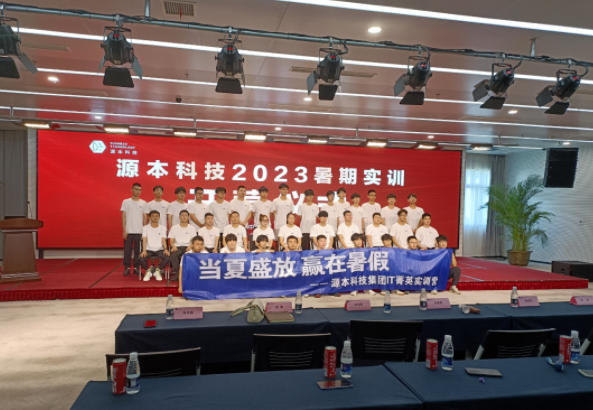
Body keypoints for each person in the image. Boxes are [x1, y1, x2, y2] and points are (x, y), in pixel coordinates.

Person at [121, 182, 146, 276]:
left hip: (139, 231)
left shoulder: (143, 203)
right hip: (128, 231)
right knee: (127, 251)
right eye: (136, 189)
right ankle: (127, 268)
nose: (138, 191)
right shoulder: (126, 202)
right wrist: (124, 230)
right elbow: (123, 216)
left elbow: (145, 217)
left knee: (137, 251)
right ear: (132, 190)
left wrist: (144, 231)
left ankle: (136, 268)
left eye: (139, 190)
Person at [138, 210, 170, 281]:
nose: (155, 218)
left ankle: (158, 271)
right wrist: (143, 250)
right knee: (141, 258)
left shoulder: (163, 227)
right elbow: (144, 239)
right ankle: (148, 271)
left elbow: (163, 239)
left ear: (159, 217)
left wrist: (165, 249)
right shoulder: (145, 228)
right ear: (149, 218)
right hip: (148, 249)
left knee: (167, 257)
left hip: (159, 249)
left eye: (157, 216)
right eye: (153, 216)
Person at [168, 210, 197, 281]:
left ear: (188, 217)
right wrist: (173, 246)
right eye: (182, 215)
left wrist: (190, 246)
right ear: (179, 217)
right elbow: (171, 241)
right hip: (177, 247)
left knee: (191, 254)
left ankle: (187, 274)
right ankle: (178, 273)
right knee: (173, 254)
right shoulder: (174, 228)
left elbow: (193, 241)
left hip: (188, 247)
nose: (184, 217)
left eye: (186, 215)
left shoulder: (192, 228)